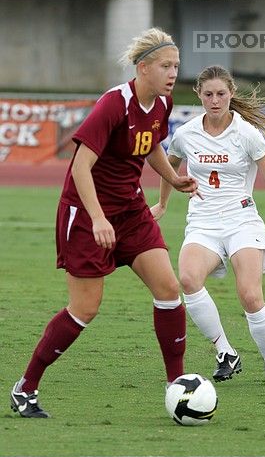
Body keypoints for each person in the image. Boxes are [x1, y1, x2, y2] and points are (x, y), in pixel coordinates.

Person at [10, 27, 198, 418]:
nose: (173, 73)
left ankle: (176, 387)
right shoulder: (114, 104)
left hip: (130, 212)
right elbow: (80, 166)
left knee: (168, 290)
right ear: (143, 67)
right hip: (86, 215)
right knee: (85, 308)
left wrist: (173, 178)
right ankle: (26, 387)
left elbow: (152, 148)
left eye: (176, 66)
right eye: (166, 66)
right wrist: (97, 218)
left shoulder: (162, 104)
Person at [152, 65, 265, 388]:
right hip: (203, 221)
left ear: (231, 94)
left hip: (241, 220)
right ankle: (225, 351)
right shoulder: (186, 134)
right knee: (188, 278)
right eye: (208, 94)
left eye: (221, 94)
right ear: (198, 94)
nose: (214, 100)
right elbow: (170, 165)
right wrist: (164, 203)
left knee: (250, 295)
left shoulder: (247, 134)